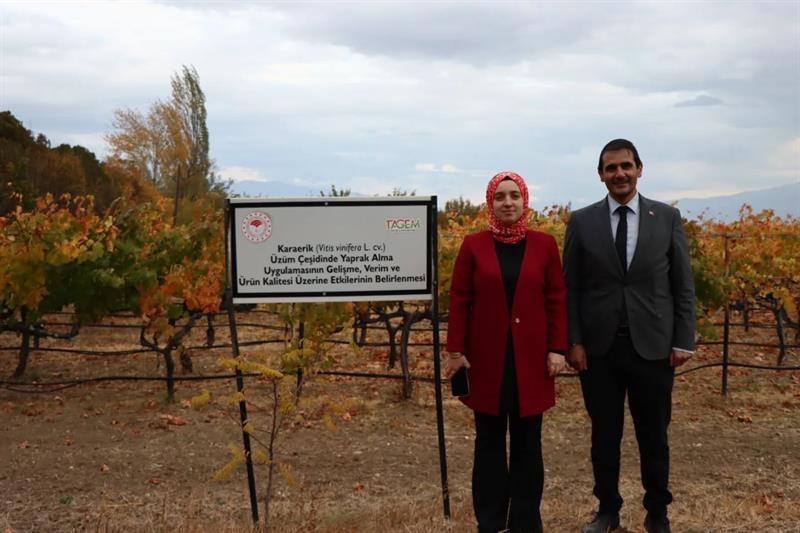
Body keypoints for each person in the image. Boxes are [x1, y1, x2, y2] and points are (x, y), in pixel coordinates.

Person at [563, 139, 695, 533]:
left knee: (654, 436)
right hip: (599, 350)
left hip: (653, 347)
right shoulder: (581, 222)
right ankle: (607, 511)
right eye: (611, 168)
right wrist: (574, 341)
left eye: (625, 166)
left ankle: (657, 513)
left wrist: (683, 339)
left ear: (639, 169)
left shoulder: (666, 217)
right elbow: (571, 288)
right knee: (604, 436)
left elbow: (682, 284)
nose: (619, 173)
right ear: (600, 175)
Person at [445, 171, 567, 533]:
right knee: (489, 444)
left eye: (514, 195)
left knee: (529, 444)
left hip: (532, 361)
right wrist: (455, 350)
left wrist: (557, 348)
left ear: (525, 200)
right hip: (487, 362)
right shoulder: (473, 246)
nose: (508, 202)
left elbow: (556, 299)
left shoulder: (545, 245)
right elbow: (459, 299)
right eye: (500, 196)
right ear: (490, 202)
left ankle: (526, 522)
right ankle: (491, 521)